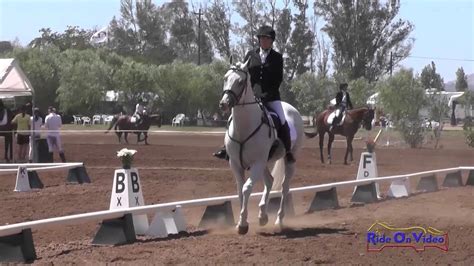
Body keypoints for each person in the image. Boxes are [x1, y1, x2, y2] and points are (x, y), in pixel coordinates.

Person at [213, 25, 296, 163]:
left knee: (281, 120)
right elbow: (245, 74)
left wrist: (266, 95)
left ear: (271, 41)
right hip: (251, 96)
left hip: (271, 97)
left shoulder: (277, 58)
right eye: (261, 38)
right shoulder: (251, 55)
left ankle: (286, 151)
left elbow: (278, 79)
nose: (262, 40)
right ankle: (227, 149)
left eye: (266, 38)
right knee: (232, 118)